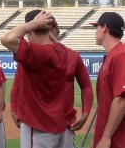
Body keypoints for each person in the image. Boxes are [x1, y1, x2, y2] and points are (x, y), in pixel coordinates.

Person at [10, 17, 94, 147]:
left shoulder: (71, 56)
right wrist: (14, 109)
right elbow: (17, 84)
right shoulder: (32, 56)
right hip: (38, 123)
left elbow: (86, 86)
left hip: (65, 124)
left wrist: (86, 113)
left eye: (52, 27)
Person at [0, 9, 68, 148]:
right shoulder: (61, 51)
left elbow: (6, 39)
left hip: (38, 125)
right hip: (57, 124)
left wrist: (33, 23)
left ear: (31, 30)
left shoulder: (38, 53)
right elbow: (56, 43)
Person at [90, 12, 125, 148]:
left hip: (118, 140)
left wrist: (106, 137)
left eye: (97, 27)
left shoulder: (121, 55)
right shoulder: (113, 55)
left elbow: (121, 99)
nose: (95, 31)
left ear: (104, 28)